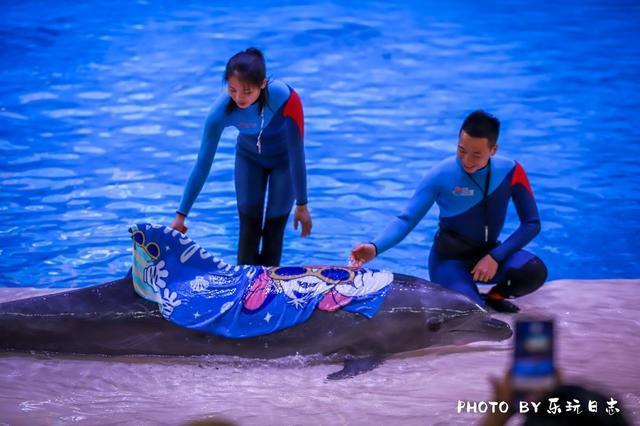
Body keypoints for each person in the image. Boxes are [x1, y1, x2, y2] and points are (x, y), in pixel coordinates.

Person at [350, 110, 547, 313]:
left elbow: (531, 224)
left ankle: (495, 296)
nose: (467, 160)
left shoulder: (510, 171)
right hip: (449, 261)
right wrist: (375, 247)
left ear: (493, 150)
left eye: (476, 154)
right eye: (461, 150)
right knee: (471, 313)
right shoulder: (441, 175)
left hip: (487, 255)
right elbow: (406, 220)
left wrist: (495, 257)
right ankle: (464, 291)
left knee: (533, 270)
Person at [171, 48, 312, 266]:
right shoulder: (220, 112)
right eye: (233, 89)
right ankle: (244, 290)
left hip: (284, 163)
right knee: (249, 227)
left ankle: (267, 289)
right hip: (249, 160)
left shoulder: (285, 98)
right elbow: (202, 165)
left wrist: (302, 204)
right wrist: (181, 215)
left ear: (262, 84)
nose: (239, 97)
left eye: (247, 91)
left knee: (274, 230)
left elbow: (296, 154)